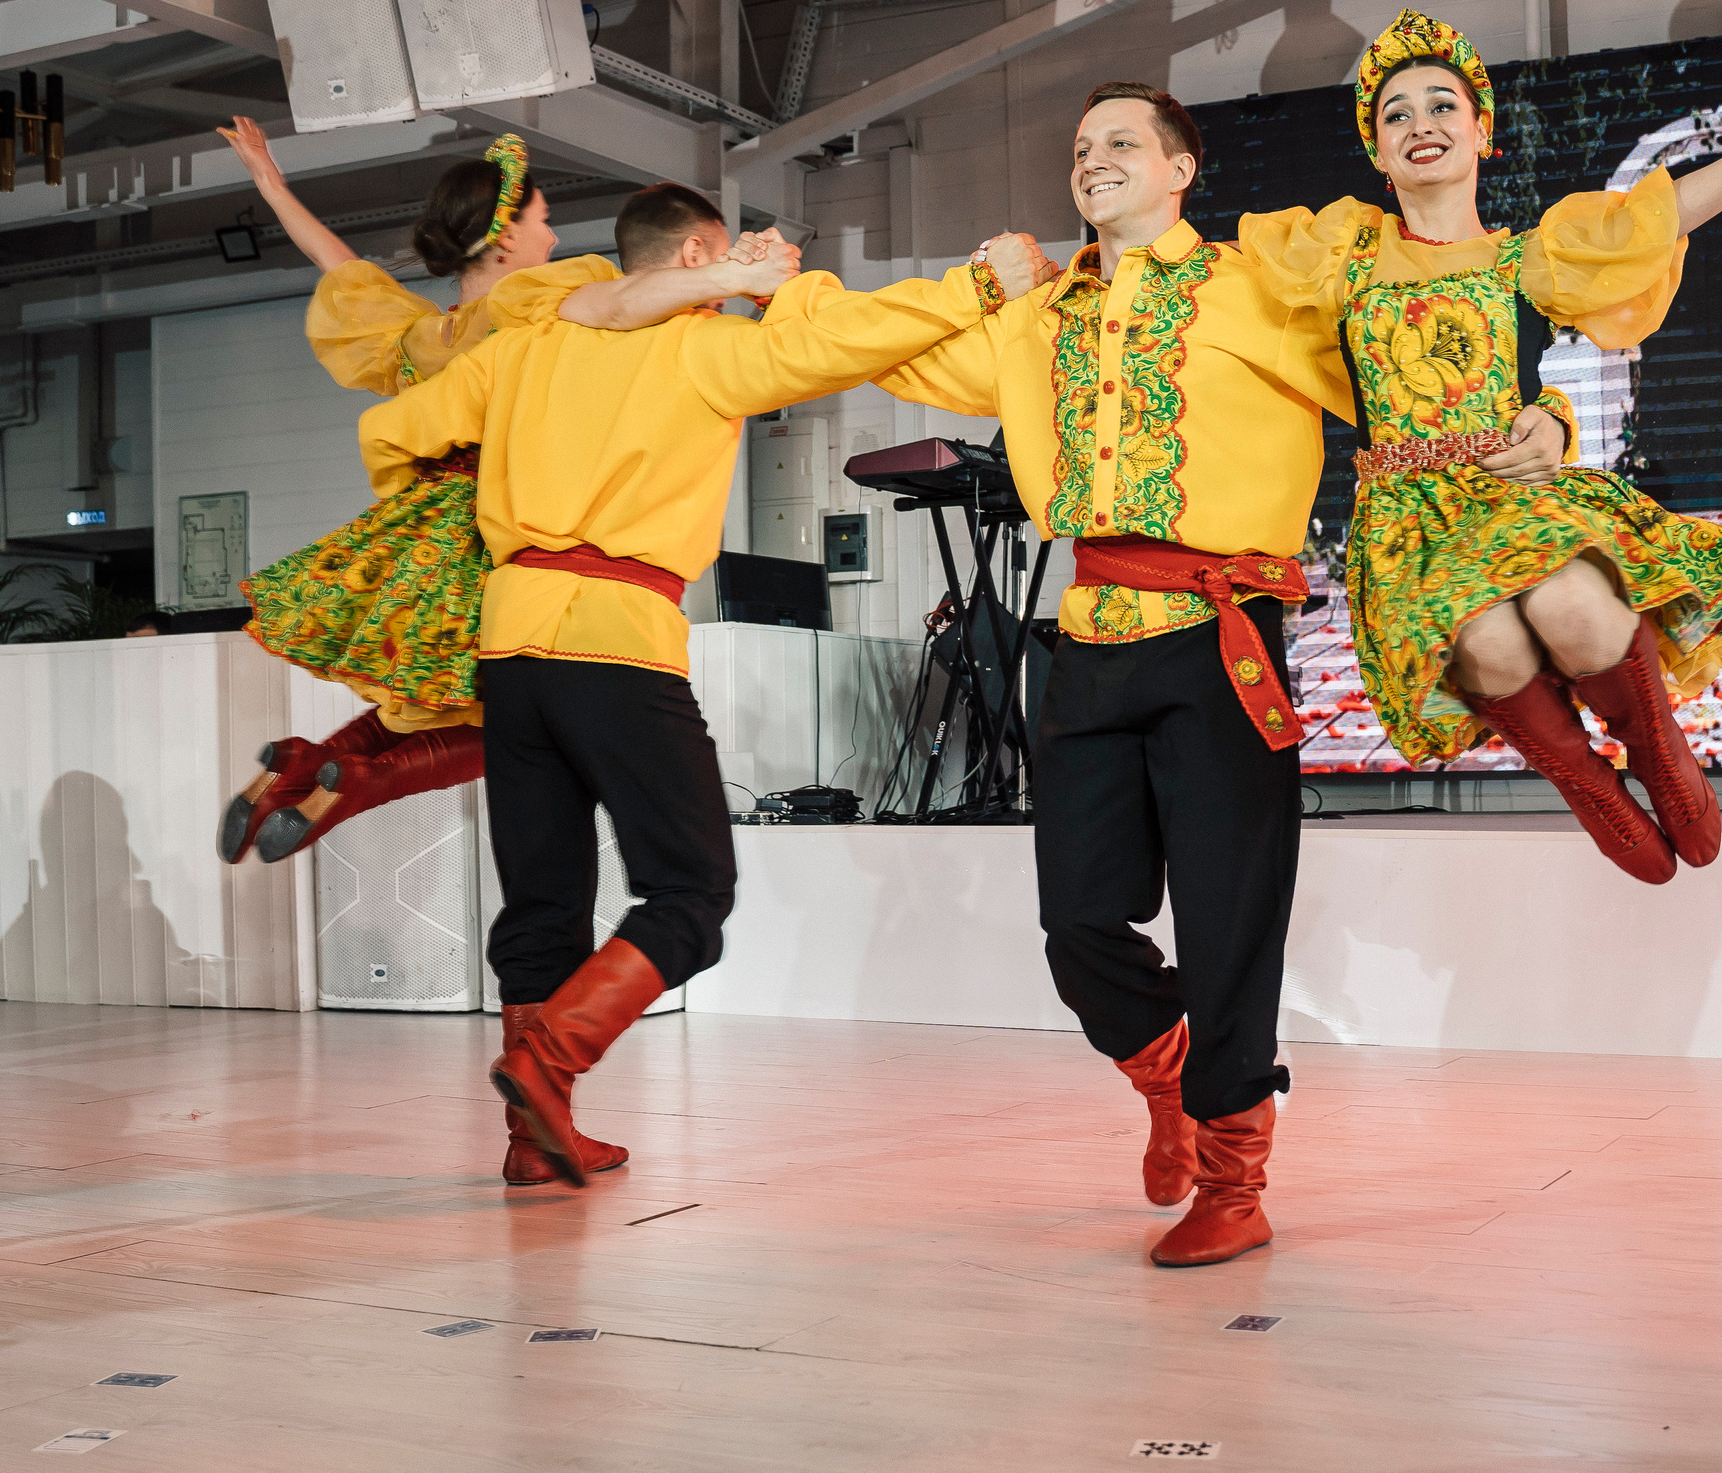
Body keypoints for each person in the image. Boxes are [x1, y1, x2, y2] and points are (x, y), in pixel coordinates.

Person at [357, 178, 1051, 1189]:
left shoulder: (521, 348)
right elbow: (840, 345)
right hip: (617, 640)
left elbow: (387, 436)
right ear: (696, 259)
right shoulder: (700, 350)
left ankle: (530, 1143)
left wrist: (448, 522)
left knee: (543, 896)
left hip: (506, 642)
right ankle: (548, 1064)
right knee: (691, 889)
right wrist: (975, 291)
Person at [1248, 10, 1722, 882]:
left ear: (1483, 131)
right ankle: (1583, 778)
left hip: (1514, 496)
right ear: (1376, 150)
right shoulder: (1341, 257)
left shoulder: (1530, 259)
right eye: (1396, 114)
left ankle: (1654, 746)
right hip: (1411, 524)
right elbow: (1206, 278)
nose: (1421, 126)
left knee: (1577, 608)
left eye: (1442, 104)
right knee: (1487, 644)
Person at [870, 83, 1353, 1269]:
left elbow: (1405, 367)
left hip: (1218, 633)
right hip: (1084, 635)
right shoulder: (1038, 320)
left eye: (1120, 143)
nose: (1093, 161)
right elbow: (903, 351)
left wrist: (1533, 420)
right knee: (1077, 924)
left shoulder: (1263, 290)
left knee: (1231, 922)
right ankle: (1168, 1075)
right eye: (1081, 147)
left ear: (1181, 169)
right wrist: (969, 284)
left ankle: (1235, 1178)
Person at [211, 120, 778, 866]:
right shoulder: (543, 301)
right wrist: (738, 279)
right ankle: (350, 777)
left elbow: (339, 265)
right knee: (500, 728)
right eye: (543, 221)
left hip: (421, 532)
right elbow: (626, 307)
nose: (552, 236)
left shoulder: (416, 334)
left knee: (428, 703)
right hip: (503, 534)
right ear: (506, 237)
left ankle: (296, 766)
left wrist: (270, 181)